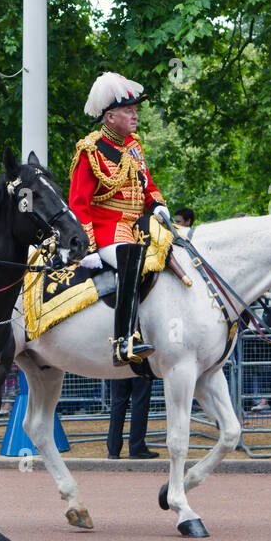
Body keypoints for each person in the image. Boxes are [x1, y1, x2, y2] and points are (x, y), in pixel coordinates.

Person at [68, 72, 171, 368]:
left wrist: (158, 205)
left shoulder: (133, 146)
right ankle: (124, 340)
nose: (135, 116)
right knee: (132, 257)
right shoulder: (90, 150)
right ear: (110, 116)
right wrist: (86, 249)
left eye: (136, 110)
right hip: (107, 231)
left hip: (138, 225)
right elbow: (78, 204)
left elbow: (147, 186)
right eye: (129, 111)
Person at [106, 376, 158, 458]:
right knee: (140, 404)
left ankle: (113, 449)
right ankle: (137, 448)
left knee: (117, 404)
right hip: (139, 367)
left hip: (118, 368)